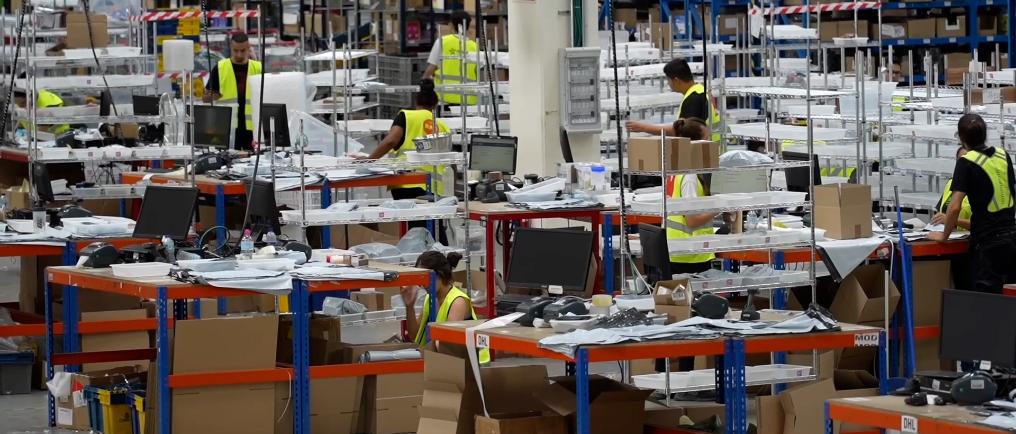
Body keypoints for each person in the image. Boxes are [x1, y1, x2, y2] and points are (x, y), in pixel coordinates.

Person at [928, 114, 1016, 294]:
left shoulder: (966, 162)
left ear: (962, 138)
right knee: (1009, 299)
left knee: (986, 299)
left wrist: (944, 236)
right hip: (1012, 237)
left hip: (988, 242)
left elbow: (954, 207)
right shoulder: (1003, 155)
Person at [365, 79, 451, 199]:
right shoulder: (443, 126)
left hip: (406, 181)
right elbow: (449, 162)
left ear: (416, 102)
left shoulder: (406, 116)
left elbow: (390, 141)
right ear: (435, 105)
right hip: (435, 187)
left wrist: (369, 160)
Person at [402, 251, 489, 363]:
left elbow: (447, 344)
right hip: (442, 360)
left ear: (441, 274)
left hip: (472, 366)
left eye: (426, 278)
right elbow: (415, 336)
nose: (422, 284)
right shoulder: (430, 298)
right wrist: (410, 307)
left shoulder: (458, 301)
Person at [625, 59, 721, 141]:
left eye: (668, 80)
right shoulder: (700, 89)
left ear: (676, 80)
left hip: (706, 150)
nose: (668, 83)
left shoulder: (693, 99)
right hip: (712, 146)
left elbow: (681, 131)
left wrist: (643, 127)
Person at [204, 33, 263, 151]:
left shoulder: (258, 68)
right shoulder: (220, 68)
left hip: (252, 130)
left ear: (248, 48)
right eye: (236, 50)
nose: (239, 54)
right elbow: (206, 98)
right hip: (227, 128)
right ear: (231, 47)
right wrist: (212, 96)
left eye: (243, 50)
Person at [423, 10, 478, 106]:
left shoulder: (442, 42)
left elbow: (430, 70)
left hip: (445, 98)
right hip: (469, 100)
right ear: (468, 26)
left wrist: (423, 83)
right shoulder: (474, 46)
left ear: (451, 25)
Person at [931, 146, 974, 230]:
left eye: (969, 161)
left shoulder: (984, 187)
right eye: (961, 161)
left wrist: (951, 220)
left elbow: (983, 225)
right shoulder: (951, 183)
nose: (964, 165)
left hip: (970, 237)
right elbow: (941, 213)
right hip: (949, 235)